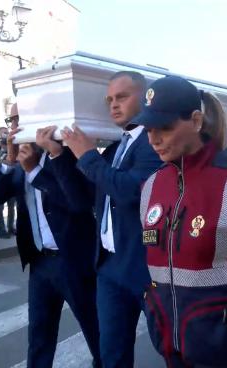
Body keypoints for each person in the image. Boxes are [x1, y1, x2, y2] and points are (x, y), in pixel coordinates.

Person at [136, 75, 227, 367]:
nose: (154, 139)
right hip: (170, 339)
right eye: (149, 129)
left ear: (195, 121)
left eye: (164, 128)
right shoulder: (152, 185)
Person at [55, 71, 162, 367]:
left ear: (145, 98)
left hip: (144, 267)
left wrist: (88, 155)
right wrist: (58, 156)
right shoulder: (116, 147)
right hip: (110, 268)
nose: (113, 105)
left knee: (171, 349)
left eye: (122, 97)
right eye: (109, 99)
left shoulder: (154, 144)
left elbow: (129, 191)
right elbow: (84, 198)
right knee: (112, 355)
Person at [0, 129, 102, 367]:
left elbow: (77, 203)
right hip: (39, 262)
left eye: (19, 119)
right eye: (11, 120)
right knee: (39, 335)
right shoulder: (17, 161)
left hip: (73, 260)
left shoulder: (66, 156)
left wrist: (35, 171)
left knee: (94, 330)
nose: (13, 128)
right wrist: (8, 160)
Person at [0, 124, 16, 239]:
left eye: (7, 131)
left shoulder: (13, 144)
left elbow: (13, 160)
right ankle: (2, 230)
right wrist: (3, 148)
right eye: (3, 132)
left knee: (11, 206)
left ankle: (11, 227)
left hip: (11, 179)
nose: (6, 133)